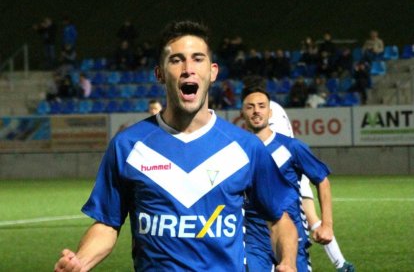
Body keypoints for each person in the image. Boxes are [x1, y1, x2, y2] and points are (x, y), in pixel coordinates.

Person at [54, 20, 298, 272]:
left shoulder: (246, 147)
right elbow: (106, 225)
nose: (188, 69)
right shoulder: (128, 146)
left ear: (213, 72)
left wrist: (288, 263)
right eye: (176, 60)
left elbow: (280, 221)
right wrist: (80, 262)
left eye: (198, 59)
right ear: (159, 73)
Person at [242, 76, 354, 272]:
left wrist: (327, 225)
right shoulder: (237, 150)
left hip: (292, 234)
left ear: (270, 111)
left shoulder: (292, 147)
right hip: (254, 239)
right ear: (242, 112)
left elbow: (322, 179)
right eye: (250, 107)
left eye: (261, 106)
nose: (256, 111)